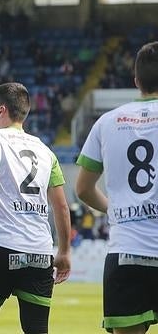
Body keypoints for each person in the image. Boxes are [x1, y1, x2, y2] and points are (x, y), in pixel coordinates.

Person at [0, 82, 71, 334]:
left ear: (2, 110)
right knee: (37, 329)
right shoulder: (45, 151)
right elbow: (62, 206)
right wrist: (63, 250)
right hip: (41, 253)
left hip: (1, 247)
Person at [75, 41, 158, 334]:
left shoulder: (107, 121)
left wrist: (118, 208)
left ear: (136, 81)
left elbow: (83, 188)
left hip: (126, 254)